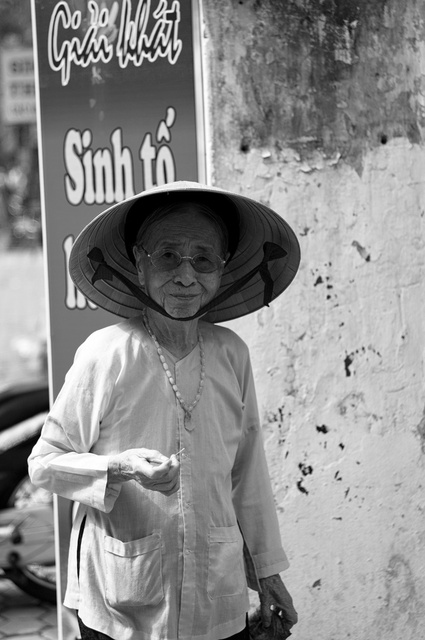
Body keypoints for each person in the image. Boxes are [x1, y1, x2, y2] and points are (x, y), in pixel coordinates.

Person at [28, 181, 301, 640]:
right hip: (121, 603)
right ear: (139, 263)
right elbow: (45, 463)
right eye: (168, 256)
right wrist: (120, 467)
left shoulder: (232, 354)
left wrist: (269, 577)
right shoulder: (107, 354)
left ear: (222, 269)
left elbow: (248, 475)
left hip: (217, 598)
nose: (186, 276)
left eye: (204, 259)